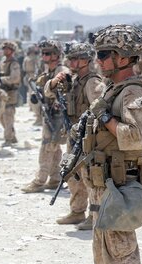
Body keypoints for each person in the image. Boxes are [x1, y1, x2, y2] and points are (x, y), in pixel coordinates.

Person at [88, 24, 142, 264]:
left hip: (119, 187)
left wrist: (104, 120)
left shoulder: (132, 92)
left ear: (123, 58)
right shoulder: (114, 90)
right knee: (104, 259)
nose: (98, 61)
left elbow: (135, 137)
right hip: (103, 187)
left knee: (122, 262)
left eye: (103, 54)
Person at [54, 42, 105, 230]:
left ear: (87, 60)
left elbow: (99, 110)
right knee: (72, 174)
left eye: (78, 58)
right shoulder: (75, 80)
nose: (73, 62)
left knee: (90, 177)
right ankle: (77, 211)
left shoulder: (92, 82)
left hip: (87, 138)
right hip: (74, 135)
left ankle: (94, 215)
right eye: (71, 59)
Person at [21, 40, 68, 193]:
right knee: (54, 147)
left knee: (47, 146)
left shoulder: (62, 71)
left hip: (58, 114)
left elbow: (66, 93)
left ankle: (39, 181)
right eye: (43, 53)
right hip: (50, 112)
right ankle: (54, 178)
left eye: (47, 53)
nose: (43, 56)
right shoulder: (48, 70)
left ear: (56, 55)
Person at [0, 41, 21, 146]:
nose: (5, 51)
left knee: (8, 115)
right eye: (4, 49)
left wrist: (2, 79)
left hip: (10, 92)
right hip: (2, 92)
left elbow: (15, 78)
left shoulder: (14, 63)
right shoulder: (3, 61)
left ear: (12, 51)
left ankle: (8, 139)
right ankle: (12, 135)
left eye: (8, 49)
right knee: (1, 117)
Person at [23, 45, 42, 125]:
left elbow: (24, 68)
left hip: (32, 77)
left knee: (34, 96)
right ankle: (37, 115)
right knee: (32, 95)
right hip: (32, 77)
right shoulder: (34, 58)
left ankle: (38, 117)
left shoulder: (28, 58)